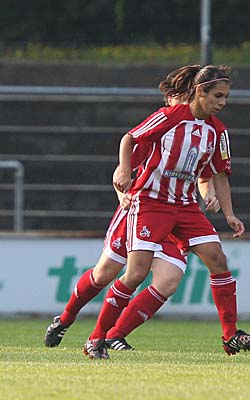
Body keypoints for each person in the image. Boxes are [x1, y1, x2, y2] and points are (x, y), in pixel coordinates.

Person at [85, 64, 250, 359]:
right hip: (151, 203)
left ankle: (230, 336)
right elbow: (129, 138)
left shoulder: (218, 132)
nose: (222, 102)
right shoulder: (170, 117)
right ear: (200, 92)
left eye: (226, 97)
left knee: (218, 259)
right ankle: (96, 338)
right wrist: (125, 168)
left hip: (185, 206)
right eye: (217, 96)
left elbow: (219, 175)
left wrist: (229, 214)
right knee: (136, 274)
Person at [44, 67, 222, 350]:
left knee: (168, 281)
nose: (178, 104)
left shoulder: (202, 133)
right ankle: (65, 319)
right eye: (175, 98)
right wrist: (122, 195)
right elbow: (123, 173)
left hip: (176, 216)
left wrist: (209, 195)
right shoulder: (157, 131)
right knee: (105, 274)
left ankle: (114, 335)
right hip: (140, 212)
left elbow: (204, 176)